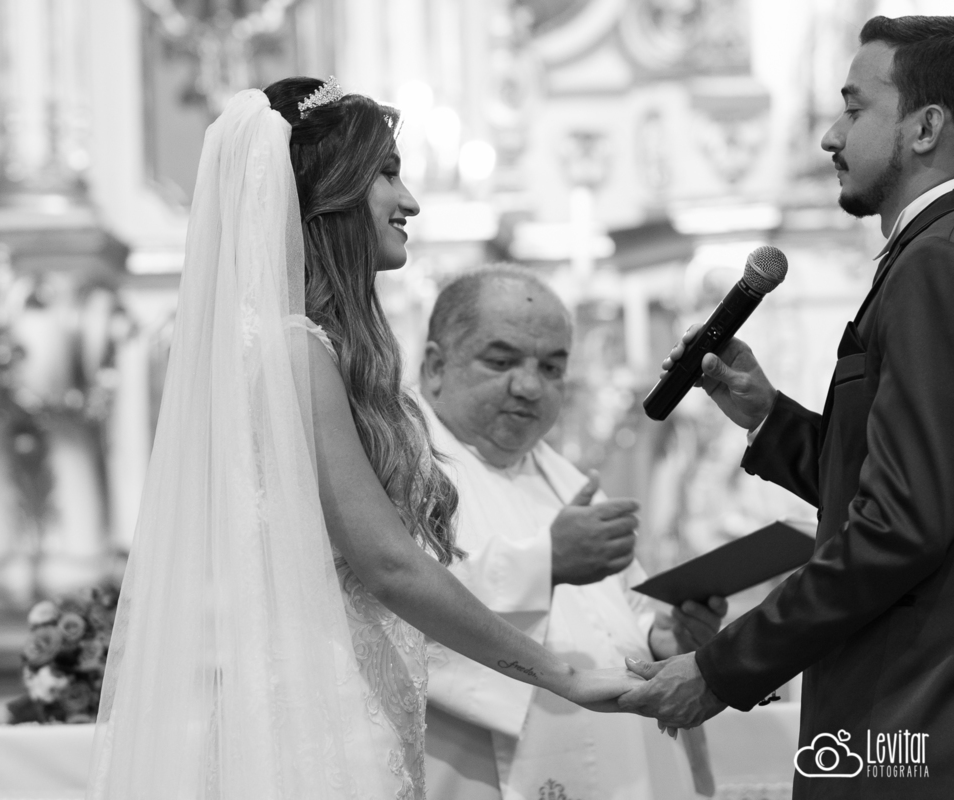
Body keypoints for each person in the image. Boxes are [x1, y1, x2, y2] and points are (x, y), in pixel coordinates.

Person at [87, 78, 642, 800]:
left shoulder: (298, 349)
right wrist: (556, 673)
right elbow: (389, 565)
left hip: (351, 707)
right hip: (322, 728)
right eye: (386, 172)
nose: (409, 200)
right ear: (331, 192)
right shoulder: (292, 350)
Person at [619, 15, 954, 798]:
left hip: (906, 714)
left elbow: (904, 522)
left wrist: (722, 665)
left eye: (855, 108)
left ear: (926, 127)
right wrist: (770, 418)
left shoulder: (933, 263)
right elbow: (913, 481)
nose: (830, 136)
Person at [417, 267, 726, 800]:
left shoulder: (561, 475)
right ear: (436, 366)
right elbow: (395, 606)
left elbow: (626, 612)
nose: (530, 386)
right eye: (501, 360)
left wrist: (668, 637)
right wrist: (545, 563)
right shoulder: (402, 464)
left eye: (553, 367)